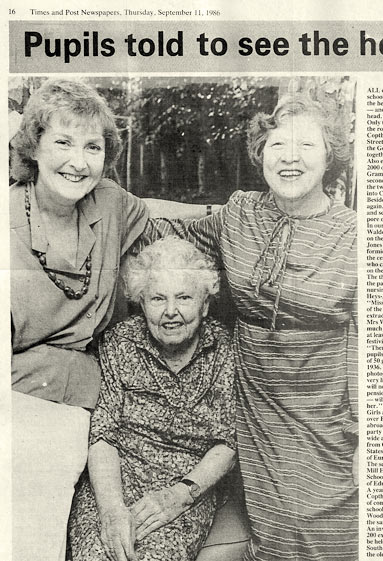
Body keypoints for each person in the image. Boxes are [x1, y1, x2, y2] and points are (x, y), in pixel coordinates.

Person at [142, 92, 359, 561]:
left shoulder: (355, 235)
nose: (290, 158)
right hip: (256, 406)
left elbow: (370, 342)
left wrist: (366, 433)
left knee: (331, 538)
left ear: (330, 156)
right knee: (274, 539)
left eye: (307, 146)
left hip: (327, 413)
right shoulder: (239, 214)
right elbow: (165, 224)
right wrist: (112, 200)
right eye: (279, 145)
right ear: (261, 152)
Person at [9, 79, 211, 561]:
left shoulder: (110, 204)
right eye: (63, 141)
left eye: (92, 147)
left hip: (85, 397)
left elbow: (169, 219)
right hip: (18, 396)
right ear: (33, 146)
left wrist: (246, 209)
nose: (78, 161)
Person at [69, 237, 236, 561]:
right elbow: (102, 434)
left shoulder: (224, 349)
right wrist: (112, 510)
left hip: (185, 490)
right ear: (141, 302)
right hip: (113, 484)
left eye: (184, 297)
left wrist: (180, 496)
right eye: (158, 298)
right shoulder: (119, 343)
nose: (170, 312)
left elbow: (228, 443)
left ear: (204, 304)